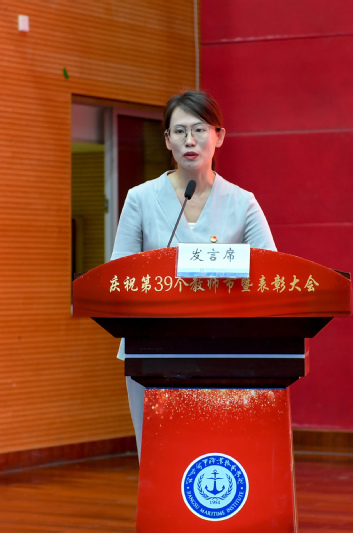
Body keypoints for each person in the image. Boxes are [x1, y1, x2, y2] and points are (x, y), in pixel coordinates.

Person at [109, 90, 277, 456]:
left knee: (215, 453)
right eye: (180, 131)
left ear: (219, 136)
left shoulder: (242, 202)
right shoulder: (140, 199)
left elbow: (271, 274)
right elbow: (119, 277)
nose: (190, 140)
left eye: (200, 129)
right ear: (167, 140)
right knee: (159, 457)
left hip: (224, 351)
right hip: (151, 351)